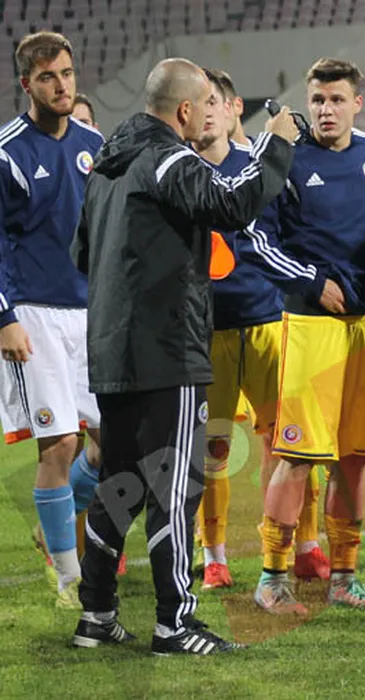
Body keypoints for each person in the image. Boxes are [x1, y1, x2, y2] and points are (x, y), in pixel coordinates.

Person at [70, 57, 297, 655]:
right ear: (186, 110)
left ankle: (96, 613)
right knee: (174, 489)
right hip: (167, 347)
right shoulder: (169, 157)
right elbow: (233, 205)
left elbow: (82, 254)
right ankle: (175, 623)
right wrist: (276, 146)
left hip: (113, 349)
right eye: (203, 105)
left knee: (119, 482)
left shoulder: (107, 165)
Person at [253, 58, 365, 614]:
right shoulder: (285, 156)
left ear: (356, 104)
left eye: (337, 99)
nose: (325, 109)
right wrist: (311, 283)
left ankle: (345, 577)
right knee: (298, 455)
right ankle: (272, 578)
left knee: (355, 458)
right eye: (317, 99)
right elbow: (258, 239)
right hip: (311, 326)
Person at [191, 69, 329, 591]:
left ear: (232, 109)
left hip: (271, 323)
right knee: (213, 449)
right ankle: (214, 555)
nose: (205, 111)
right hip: (208, 332)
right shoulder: (178, 172)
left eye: (214, 102)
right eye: (196, 102)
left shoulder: (264, 166)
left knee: (291, 444)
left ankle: (305, 546)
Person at [0, 32, 105, 609]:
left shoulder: (94, 145)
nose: (61, 85)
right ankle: (69, 580)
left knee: (113, 442)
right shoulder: (8, 152)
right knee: (60, 443)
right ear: (27, 85)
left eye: (66, 73)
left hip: (93, 312)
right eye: (47, 77)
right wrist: (4, 317)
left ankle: (58, 521)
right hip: (34, 316)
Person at [211, 69, 250, 146]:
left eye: (212, 103)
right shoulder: (189, 154)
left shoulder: (269, 150)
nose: (207, 113)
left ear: (238, 106)